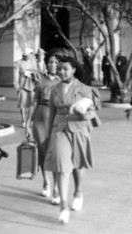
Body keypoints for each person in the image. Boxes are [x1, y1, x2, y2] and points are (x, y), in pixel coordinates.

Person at [44, 56, 98, 224]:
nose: (61, 71)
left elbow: (92, 113)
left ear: (74, 69)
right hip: (59, 130)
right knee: (62, 167)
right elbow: (52, 113)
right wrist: (48, 134)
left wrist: (82, 113)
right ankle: (64, 207)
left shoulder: (84, 89)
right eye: (59, 68)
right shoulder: (54, 89)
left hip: (79, 129)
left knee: (78, 165)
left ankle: (78, 192)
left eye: (65, 68)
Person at [30, 52, 61, 200]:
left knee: (54, 155)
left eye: (56, 62)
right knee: (42, 153)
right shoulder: (40, 81)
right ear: (46, 64)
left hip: (55, 120)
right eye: (50, 62)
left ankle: (56, 188)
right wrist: (28, 122)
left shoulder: (63, 82)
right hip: (40, 119)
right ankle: (46, 182)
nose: (53, 65)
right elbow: (34, 102)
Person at [14, 48, 40, 131]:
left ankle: (30, 120)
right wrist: (17, 85)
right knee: (23, 104)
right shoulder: (18, 63)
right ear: (25, 55)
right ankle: (23, 120)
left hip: (31, 85)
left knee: (32, 104)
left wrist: (32, 73)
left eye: (31, 54)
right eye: (29, 54)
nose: (30, 56)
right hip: (22, 85)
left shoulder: (32, 62)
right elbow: (16, 75)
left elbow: (36, 71)